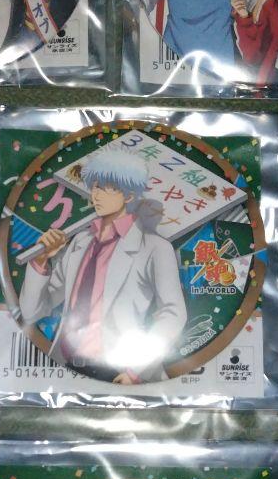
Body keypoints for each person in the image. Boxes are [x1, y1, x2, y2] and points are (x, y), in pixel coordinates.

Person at [18, 147, 186, 383]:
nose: (97, 195)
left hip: (121, 372)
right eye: (96, 186)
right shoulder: (80, 242)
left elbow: (174, 313)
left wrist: (135, 371)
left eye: (109, 188)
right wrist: (41, 261)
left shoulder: (155, 247)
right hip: (65, 367)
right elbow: (32, 311)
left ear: (129, 196)